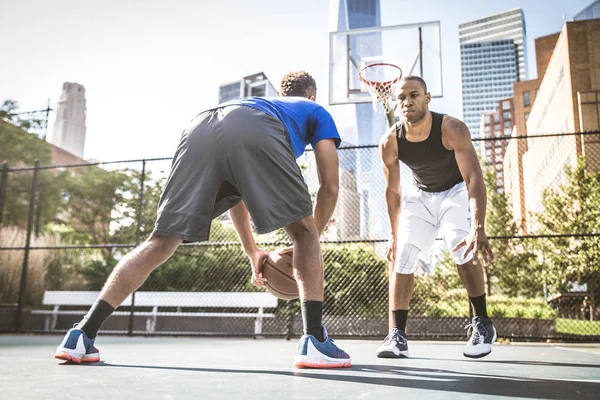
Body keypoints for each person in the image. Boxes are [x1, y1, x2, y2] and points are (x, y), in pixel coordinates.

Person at [54, 71, 351, 369]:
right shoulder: (314, 110)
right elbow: (330, 186)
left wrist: (252, 250)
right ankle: (314, 339)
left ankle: (82, 334)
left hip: (199, 126)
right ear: (311, 95)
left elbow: (237, 192)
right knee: (305, 232)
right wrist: (312, 234)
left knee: (159, 242)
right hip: (254, 126)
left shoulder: (264, 102)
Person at [376, 75, 496, 359]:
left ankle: (483, 323)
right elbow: (393, 192)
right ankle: (397, 336)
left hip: (454, 192)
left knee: (459, 243)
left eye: (414, 95)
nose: (407, 102)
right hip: (420, 197)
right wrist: (394, 236)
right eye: (402, 98)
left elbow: (473, 177)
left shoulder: (451, 128)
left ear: (427, 98)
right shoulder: (390, 141)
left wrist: (478, 226)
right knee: (402, 255)